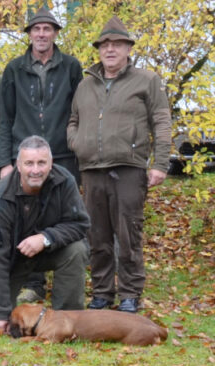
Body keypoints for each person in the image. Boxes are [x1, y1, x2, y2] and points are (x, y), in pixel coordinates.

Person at [68, 16, 173, 313]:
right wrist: (77, 142)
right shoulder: (85, 85)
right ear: (99, 50)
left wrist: (160, 163)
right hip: (91, 170)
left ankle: (130, 294)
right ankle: (102, 293)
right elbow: (73, 120)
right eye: (105, 45)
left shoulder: (146, 80)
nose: (110, 50)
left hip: (129, 168)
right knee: (97, 235)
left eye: (117, 45)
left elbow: (162, 121)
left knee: (128, 234)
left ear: (128, 48)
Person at [0, 6, 83, 304]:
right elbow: (5, 118)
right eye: (37, 29)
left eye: (48, 29)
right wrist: (5, 163)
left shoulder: (71, 67)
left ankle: (67, 286)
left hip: (63, 156)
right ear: (30, 34)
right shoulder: (14, 69)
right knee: (28, 219)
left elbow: (79, 112)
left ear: (56, 33)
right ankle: (33, 283)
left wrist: (75, 146)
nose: (42, 34)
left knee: (63, 219)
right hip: (25, 158)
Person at [0, 136, 89, 334]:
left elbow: (80, 224)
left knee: (77, 250)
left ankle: (67, 317)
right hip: (11, 261)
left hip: (49, 250)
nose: (36, 170)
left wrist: (46, 238)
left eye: (42, 163)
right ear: (18, 166)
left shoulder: (65, 181)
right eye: (29, 163)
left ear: (51, 164)